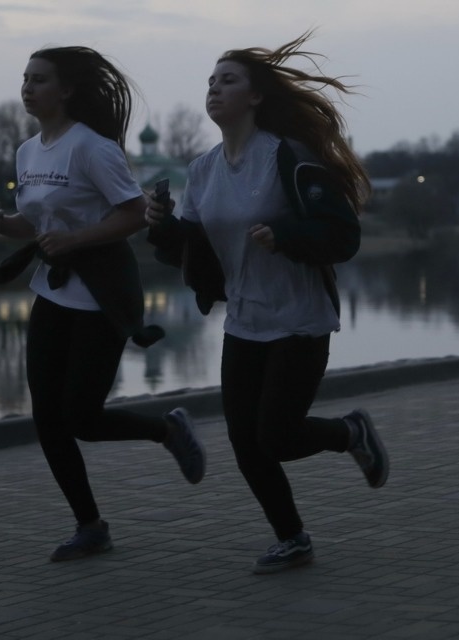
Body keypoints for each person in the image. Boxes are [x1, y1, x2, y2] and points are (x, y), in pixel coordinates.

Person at [146, 31, 389, 574]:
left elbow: (341, 236)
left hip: (300, 318)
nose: (214, 89)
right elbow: (194, 250)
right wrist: (163, 230)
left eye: (228, 80)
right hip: (245, 321)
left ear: (255, 96)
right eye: (209, 81)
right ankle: (293, 538)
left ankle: (351, 432)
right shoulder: (203, 169)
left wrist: (286, 236)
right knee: (245, 442)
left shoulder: (287, 158)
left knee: (276, 436)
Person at [0, 46, 206, 562]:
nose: (28, 88)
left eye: (39, 80)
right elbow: (36, 225)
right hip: (52, 292)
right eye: (24, 79)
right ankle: (90, 526)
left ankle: (166, 429)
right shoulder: (28, 152)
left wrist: (76, 241)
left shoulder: (93, 148)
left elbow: (133, 215)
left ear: (68, 90)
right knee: (47, 417)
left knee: (81, 416)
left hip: (100, 293)